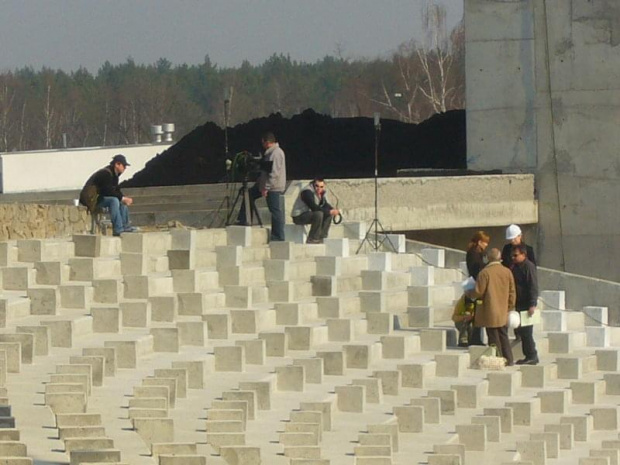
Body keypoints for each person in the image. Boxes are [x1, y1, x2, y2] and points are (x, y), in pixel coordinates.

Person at [469, 248, 516, 366]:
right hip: (503, 309)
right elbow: (512, 292)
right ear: (500, 258)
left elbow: (478, 291)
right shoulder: (507, 272)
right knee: (503, 335)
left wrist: (468, 292)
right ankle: (509, 359)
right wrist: (509, 307)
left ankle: (498, 360)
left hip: (489, 309)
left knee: (493, 337)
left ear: (488, 258)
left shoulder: (484, 273)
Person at [237, 132, 286, 241]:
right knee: (249, 195)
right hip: (265, 184)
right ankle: (244, 218)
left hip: (273, 187)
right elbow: (266, 170)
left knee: (275, 211)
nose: (262, 145)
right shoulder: (269, 153)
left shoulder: (276, 153)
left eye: (263, 143)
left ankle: (278, 236)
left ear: (267, 142)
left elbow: (274, 173)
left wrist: (266, 187)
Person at [80, 154, 136, 237]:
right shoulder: (105, 174)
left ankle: (125, 226)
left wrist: (123, 198)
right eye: (123, 166)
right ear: (117, 164)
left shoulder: (114, 175)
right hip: (92, 200)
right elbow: (106, 191)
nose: (125, 168)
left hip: (100, 197)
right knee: (114, 201)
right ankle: (118, 229)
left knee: (121, 201)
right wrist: (121, 198)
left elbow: (116, 190)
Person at [510, 243, 540, 365]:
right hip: (519, 303)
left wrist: (532, 304)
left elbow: (533, 286)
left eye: (516, 255)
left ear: (524, 254)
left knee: (527, 332)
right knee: (521, 331)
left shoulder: (528, 267)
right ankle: (528, 354)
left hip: (527, 304)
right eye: (512, 255)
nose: (513, 257)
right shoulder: (515, 267)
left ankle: (532, 355)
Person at [291, 178, 340, 244]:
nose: (319, 188)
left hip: (309, 214)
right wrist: (329, 211)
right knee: (318, 214)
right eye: (317, 186)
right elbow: (314, 207)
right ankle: (312, 238)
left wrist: (332, 210)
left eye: (321, 187)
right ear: (313, 185)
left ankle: (322, 238)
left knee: (328, 214)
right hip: (299, 216)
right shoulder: (307, 192)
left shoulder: (320, 193)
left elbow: (324, 204)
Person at [462, 231, 490, 346]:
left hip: (475, 283)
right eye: (485, 242)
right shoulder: (473, 253)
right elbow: (476, 269)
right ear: (479, 242)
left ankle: (476, 338)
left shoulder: (478, 253)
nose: (486, 245)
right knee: (475, 313)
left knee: (477, 313)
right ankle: (474, 338)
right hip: (474, 284)